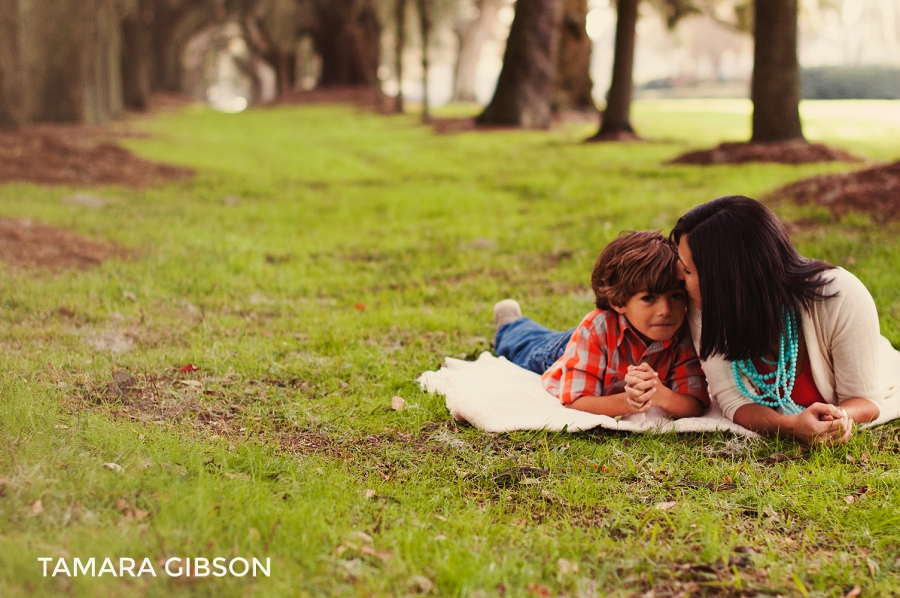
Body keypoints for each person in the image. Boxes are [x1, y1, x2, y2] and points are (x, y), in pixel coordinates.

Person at [671, 195, 899, 445]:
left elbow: (864, 399)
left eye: (688, 270)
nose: (679, 276)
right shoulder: (705, 308)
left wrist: (836, 420)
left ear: (723, 281)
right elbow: (734, 401)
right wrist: (789, 426)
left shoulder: (840, 297)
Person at [493, 231, 708, 418]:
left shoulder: (683, 330)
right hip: (565, 350)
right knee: (531, 346)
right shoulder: (596, 329)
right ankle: (511, 324)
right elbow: (574, 401)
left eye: (677, 296)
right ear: (618, 301)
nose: (666, 311)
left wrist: (661, 395)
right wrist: (627, 402)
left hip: (600, 342)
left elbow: (695, 404)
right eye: (649, 298)